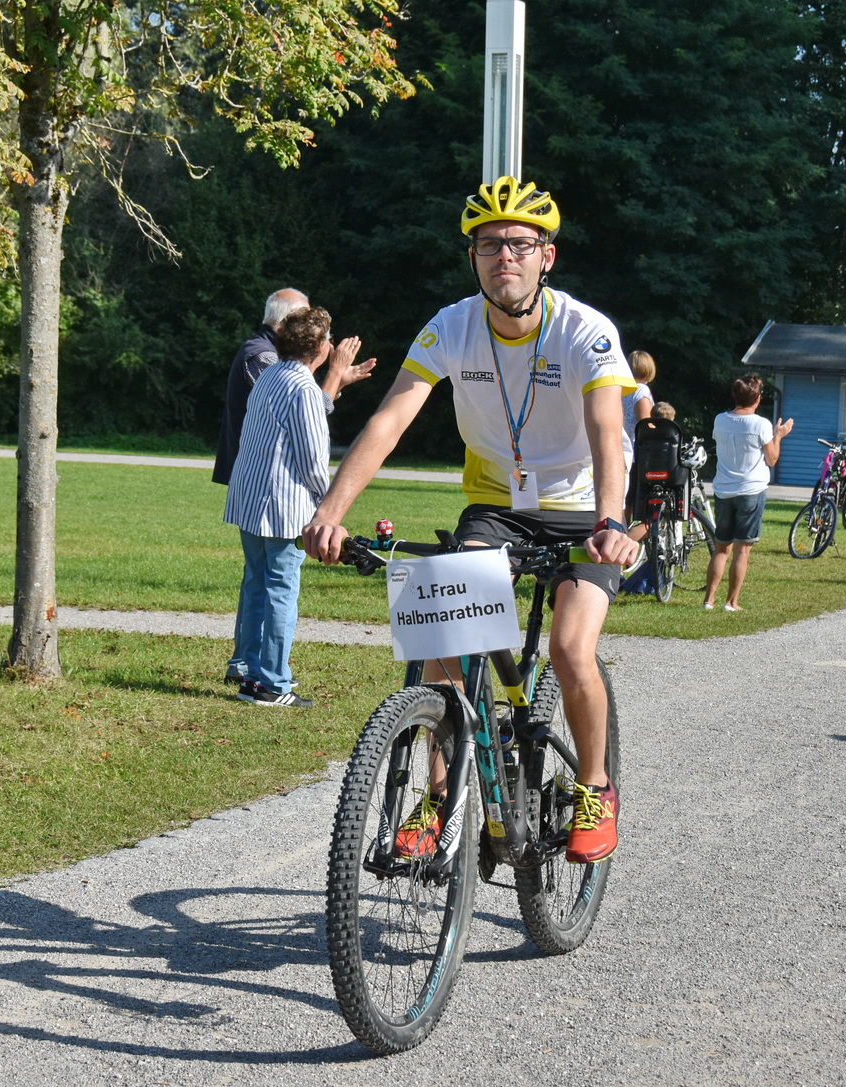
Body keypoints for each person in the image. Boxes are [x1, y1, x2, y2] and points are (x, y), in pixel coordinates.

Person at [301, 176, 639, 865]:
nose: (504, 256)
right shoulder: (451, 326)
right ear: (473, 257)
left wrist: (612, 519)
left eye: (520, 243)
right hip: (497, 506)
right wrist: (330, 512)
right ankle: (437, 799)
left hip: (583, 509)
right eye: (489, 244)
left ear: (548, 256)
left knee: (573, 648)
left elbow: (609, 430)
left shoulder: (586, 330)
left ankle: (596, 785)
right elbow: (391, 416)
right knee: (441, 643)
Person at [223, 307, 346, 707]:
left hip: (249, 497)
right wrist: (329, 506)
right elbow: (313, 460)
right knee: (281, 591)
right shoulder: (304, 389)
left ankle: (249, 672)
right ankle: (274, 683)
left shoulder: (271, 375)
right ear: (321, 348)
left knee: (256, 586)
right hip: (282, 506)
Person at [212, 288, 375, 486]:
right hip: (264, 474)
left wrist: (338, 380)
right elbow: (305, 412)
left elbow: (301, 406)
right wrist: (334, 373)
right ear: (289, 320)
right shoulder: (263, 356)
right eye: (305, 318)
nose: (311, 325)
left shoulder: (267, 352)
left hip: (263, 472)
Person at [701, 374, 791, 611]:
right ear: (758, 399)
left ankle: (708, 600)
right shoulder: (760, 424)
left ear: (735, 395)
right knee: (742, 549)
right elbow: (771, 459)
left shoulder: (720, 420)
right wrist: (778, 435)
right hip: (751, 490)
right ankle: (731, 602)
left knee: (721, 549)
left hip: (723, 490)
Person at [623, 350, 657, 468]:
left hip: (622, 449)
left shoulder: (623, 389)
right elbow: (645, 423)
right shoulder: (641, 390)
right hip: (637, 451)